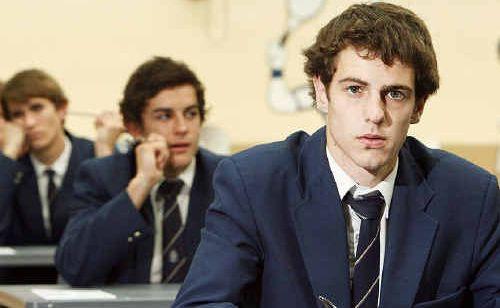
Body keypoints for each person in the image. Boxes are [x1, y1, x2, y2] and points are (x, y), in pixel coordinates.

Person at [173, 3, 499, 307]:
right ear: (321, 92)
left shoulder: (472, 197)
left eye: (395, 94)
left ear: (419, 106)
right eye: (355, 89)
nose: (374, 113)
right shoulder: (254, 185)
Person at [55, 57, 224, 286]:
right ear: (134, 127)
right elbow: (75, 267)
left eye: (191, 114)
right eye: (164, 116)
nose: (182, 128)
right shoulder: (102, 176)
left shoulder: (225, 178)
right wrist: (140, 185)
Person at [0, 69, 96, 283]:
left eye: (37, 108)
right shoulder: (9, 167)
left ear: (61, 109)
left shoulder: (93, 157)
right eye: (18, 114)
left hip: (83, 286)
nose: (29, 122)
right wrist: (8, 153)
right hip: (19, 289)